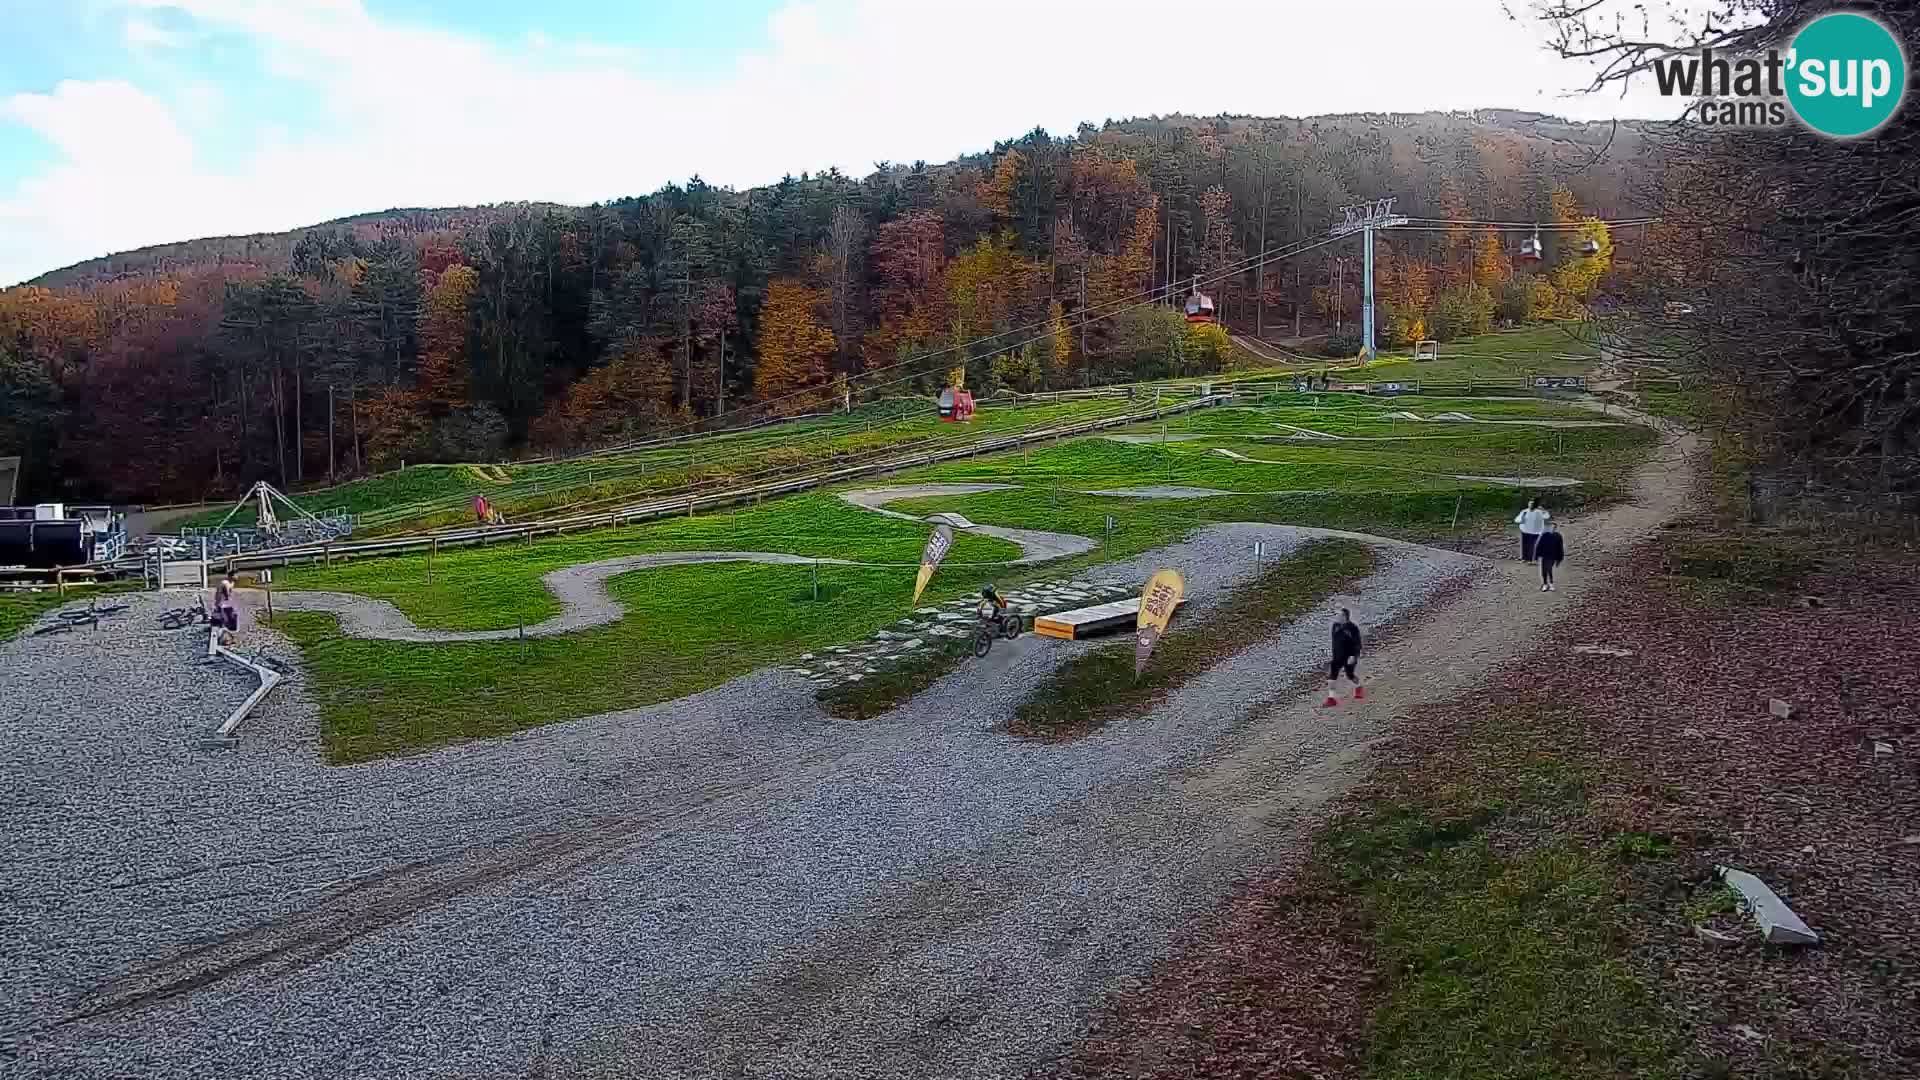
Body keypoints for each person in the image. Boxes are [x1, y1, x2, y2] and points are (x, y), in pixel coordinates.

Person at [1323, 608, 1364, 707]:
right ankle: (1331, 698)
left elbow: (1358, 644)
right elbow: (1335, 642)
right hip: (1337, 657)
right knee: (1332, 677)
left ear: (1345, 617)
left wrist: (1354, 656)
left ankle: (1358, 687)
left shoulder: (1352, 628)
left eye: (1339, 615)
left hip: (1349, 656)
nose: (1336, 617)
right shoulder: (1335, 626)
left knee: (1350, 675)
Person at [1514, 498, 1551, 562]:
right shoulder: (1524, 511)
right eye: (1530, 503)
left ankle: (1533, 559)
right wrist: (1521, 519)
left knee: (1534, 545)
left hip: (1536, 532)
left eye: (1532, 504)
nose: (1531, 505)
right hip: (1525, 530)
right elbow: (1517, 520)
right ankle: (1524, 558)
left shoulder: (1539, 512)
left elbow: (1547, 516)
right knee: (1525, 545)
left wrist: (1543, 510)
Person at [1535, 523, 1566, 592]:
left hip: (1553, 556)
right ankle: (1545, 584)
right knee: (1543, 570)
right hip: (1545, 555)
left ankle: (1551, 583)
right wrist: (1537, 556)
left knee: (1549, 568)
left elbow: (1560, 547)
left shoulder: (1558, 536)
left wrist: (1559, 558)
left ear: (1555, 528)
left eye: (1553, 527)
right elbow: (1539, 545)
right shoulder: (1545, 535)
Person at [212, 577, 240, 642]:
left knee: (226, 618)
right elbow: (226, 595)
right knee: (226, 619)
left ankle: (226, 635)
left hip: (224, 604)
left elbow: (220, 595)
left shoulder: (226, 583)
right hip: (225, 605)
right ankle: (226, 636)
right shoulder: (226, 584)